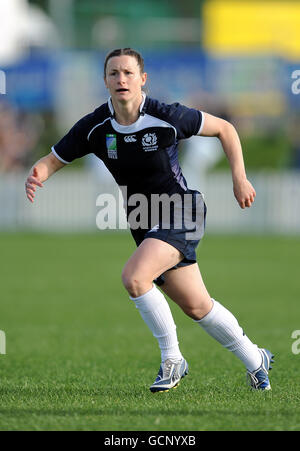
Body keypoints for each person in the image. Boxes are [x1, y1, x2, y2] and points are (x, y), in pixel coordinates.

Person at [25, 48, 274, 392]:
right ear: (106, 81)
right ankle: (255, 358)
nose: (121, 79)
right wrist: (38, 172)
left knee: (134, 277)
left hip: (181, 211)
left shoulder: (166, 115)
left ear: (143, 79)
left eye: (128, 73)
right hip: (144, 221)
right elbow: (53, 159)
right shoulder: (95, 127)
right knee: (197, 305)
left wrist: (239, 178)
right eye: (114, 73)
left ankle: (172, 360)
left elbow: (226, 129)